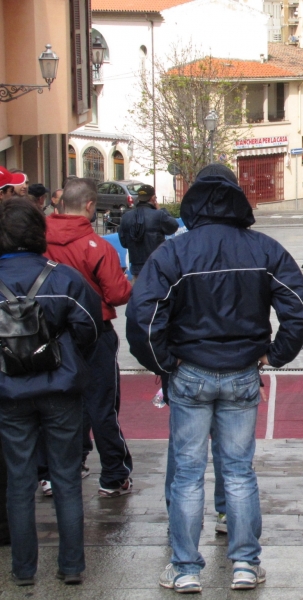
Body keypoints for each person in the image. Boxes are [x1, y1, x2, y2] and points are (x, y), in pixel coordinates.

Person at [126, 164, 303, 593]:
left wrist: (165, 363)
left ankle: (186, 567)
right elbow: (301, 312)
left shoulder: (174, 252)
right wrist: (274, 354)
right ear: (236, 199)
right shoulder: (264, 250)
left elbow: (143, 317)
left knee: (189, 474)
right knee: (238, 472)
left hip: (190, 371)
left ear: (194, 200)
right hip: (242, 372)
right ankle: (245, 564)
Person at [0, 198, 103, 586]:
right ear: (39, 233)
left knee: (19, 480)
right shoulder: (64, 278)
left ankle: (24, 570)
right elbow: (90, 330)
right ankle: (72, 565)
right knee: (65, 476)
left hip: (8, 391)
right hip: (59, 385)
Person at [44, 178, 134, 497]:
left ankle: (56, 470)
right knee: (101, 403)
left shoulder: (38, 241)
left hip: (49, 333)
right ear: (89, 206)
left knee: (57, 401)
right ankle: (113, 472)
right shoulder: (96, 247)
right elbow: (118, 292)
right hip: (94, 332)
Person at [118, 185, 179, 281]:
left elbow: (124, 243)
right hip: (157, 268)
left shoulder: (126, 217)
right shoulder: (158, 215)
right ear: (153, 198)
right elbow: (173, 226)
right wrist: (161, 210)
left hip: (137, 270)